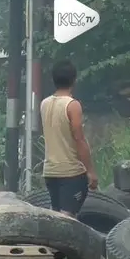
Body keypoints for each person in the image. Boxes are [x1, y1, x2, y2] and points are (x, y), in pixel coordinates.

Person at [40, 60, 97, 218]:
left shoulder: (44, 104)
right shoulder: (73, 105)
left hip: (50, 172)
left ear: (53, 80)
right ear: (74, 79)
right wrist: (91, 171)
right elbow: (79, 139)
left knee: (55, 217)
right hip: (71, 173)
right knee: (67, 220)